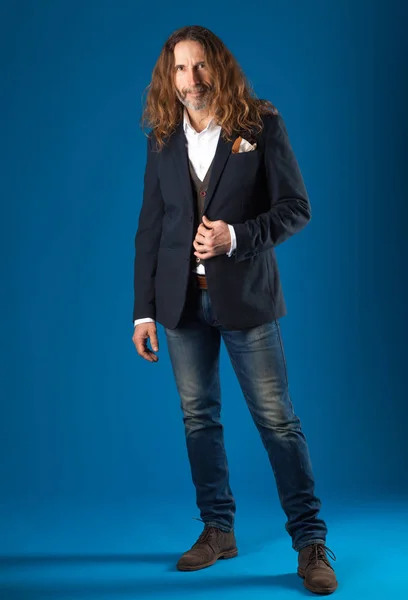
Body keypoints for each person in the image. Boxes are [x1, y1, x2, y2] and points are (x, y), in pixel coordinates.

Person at [131, 25, 338, 595]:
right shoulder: (163, 137)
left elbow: (297, 208)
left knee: (277, 421)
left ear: (218, 68)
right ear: (167, 77)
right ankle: (218, 530)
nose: (190, 80)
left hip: (247, 298)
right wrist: (142, 312)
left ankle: (310, 541)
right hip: (179, 305)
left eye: (199, 66)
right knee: (199, 419)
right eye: (179, 69)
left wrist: (236, 238)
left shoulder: (259, 124)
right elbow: (150, 229)